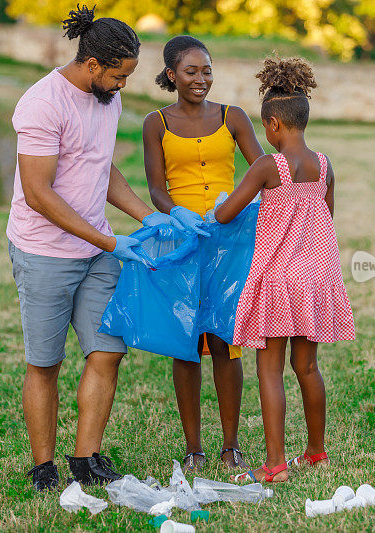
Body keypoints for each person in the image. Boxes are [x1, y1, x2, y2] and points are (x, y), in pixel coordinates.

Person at [7, 5, 180, 492]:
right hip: (45, 252)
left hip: (98, 251)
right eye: (119, 76)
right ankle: (44, 468)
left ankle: (87, 459)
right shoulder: (43, 104)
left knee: (107, 352)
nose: (123, 85)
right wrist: (109, 240)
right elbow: (39, 193)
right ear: (92, 65)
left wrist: (150, 217)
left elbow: (100, 168)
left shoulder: (106, 99)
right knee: (45, 363)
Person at [212, 57, 355, 484]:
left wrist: (222, 205)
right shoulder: (325, 166)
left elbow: (224, 215)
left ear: (272, 125)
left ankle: (274, 464)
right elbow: (326, 217)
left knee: (269, 368)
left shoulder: (267, 167)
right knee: (307, 367)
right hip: (315, 278)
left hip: (278, 280)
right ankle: (316, 452)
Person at [143, 35, 266, 473]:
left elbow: (263, 167)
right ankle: (193, 447)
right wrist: (174, 210)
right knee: (186, 342)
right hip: (182, 241)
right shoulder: (155, 122)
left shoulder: (233, 117)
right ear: (172, 75)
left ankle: (230, 445)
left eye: (207, 70)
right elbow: (156, 187)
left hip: (229, 243)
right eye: (191, 72)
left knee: (225, 343)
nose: (201, 79)